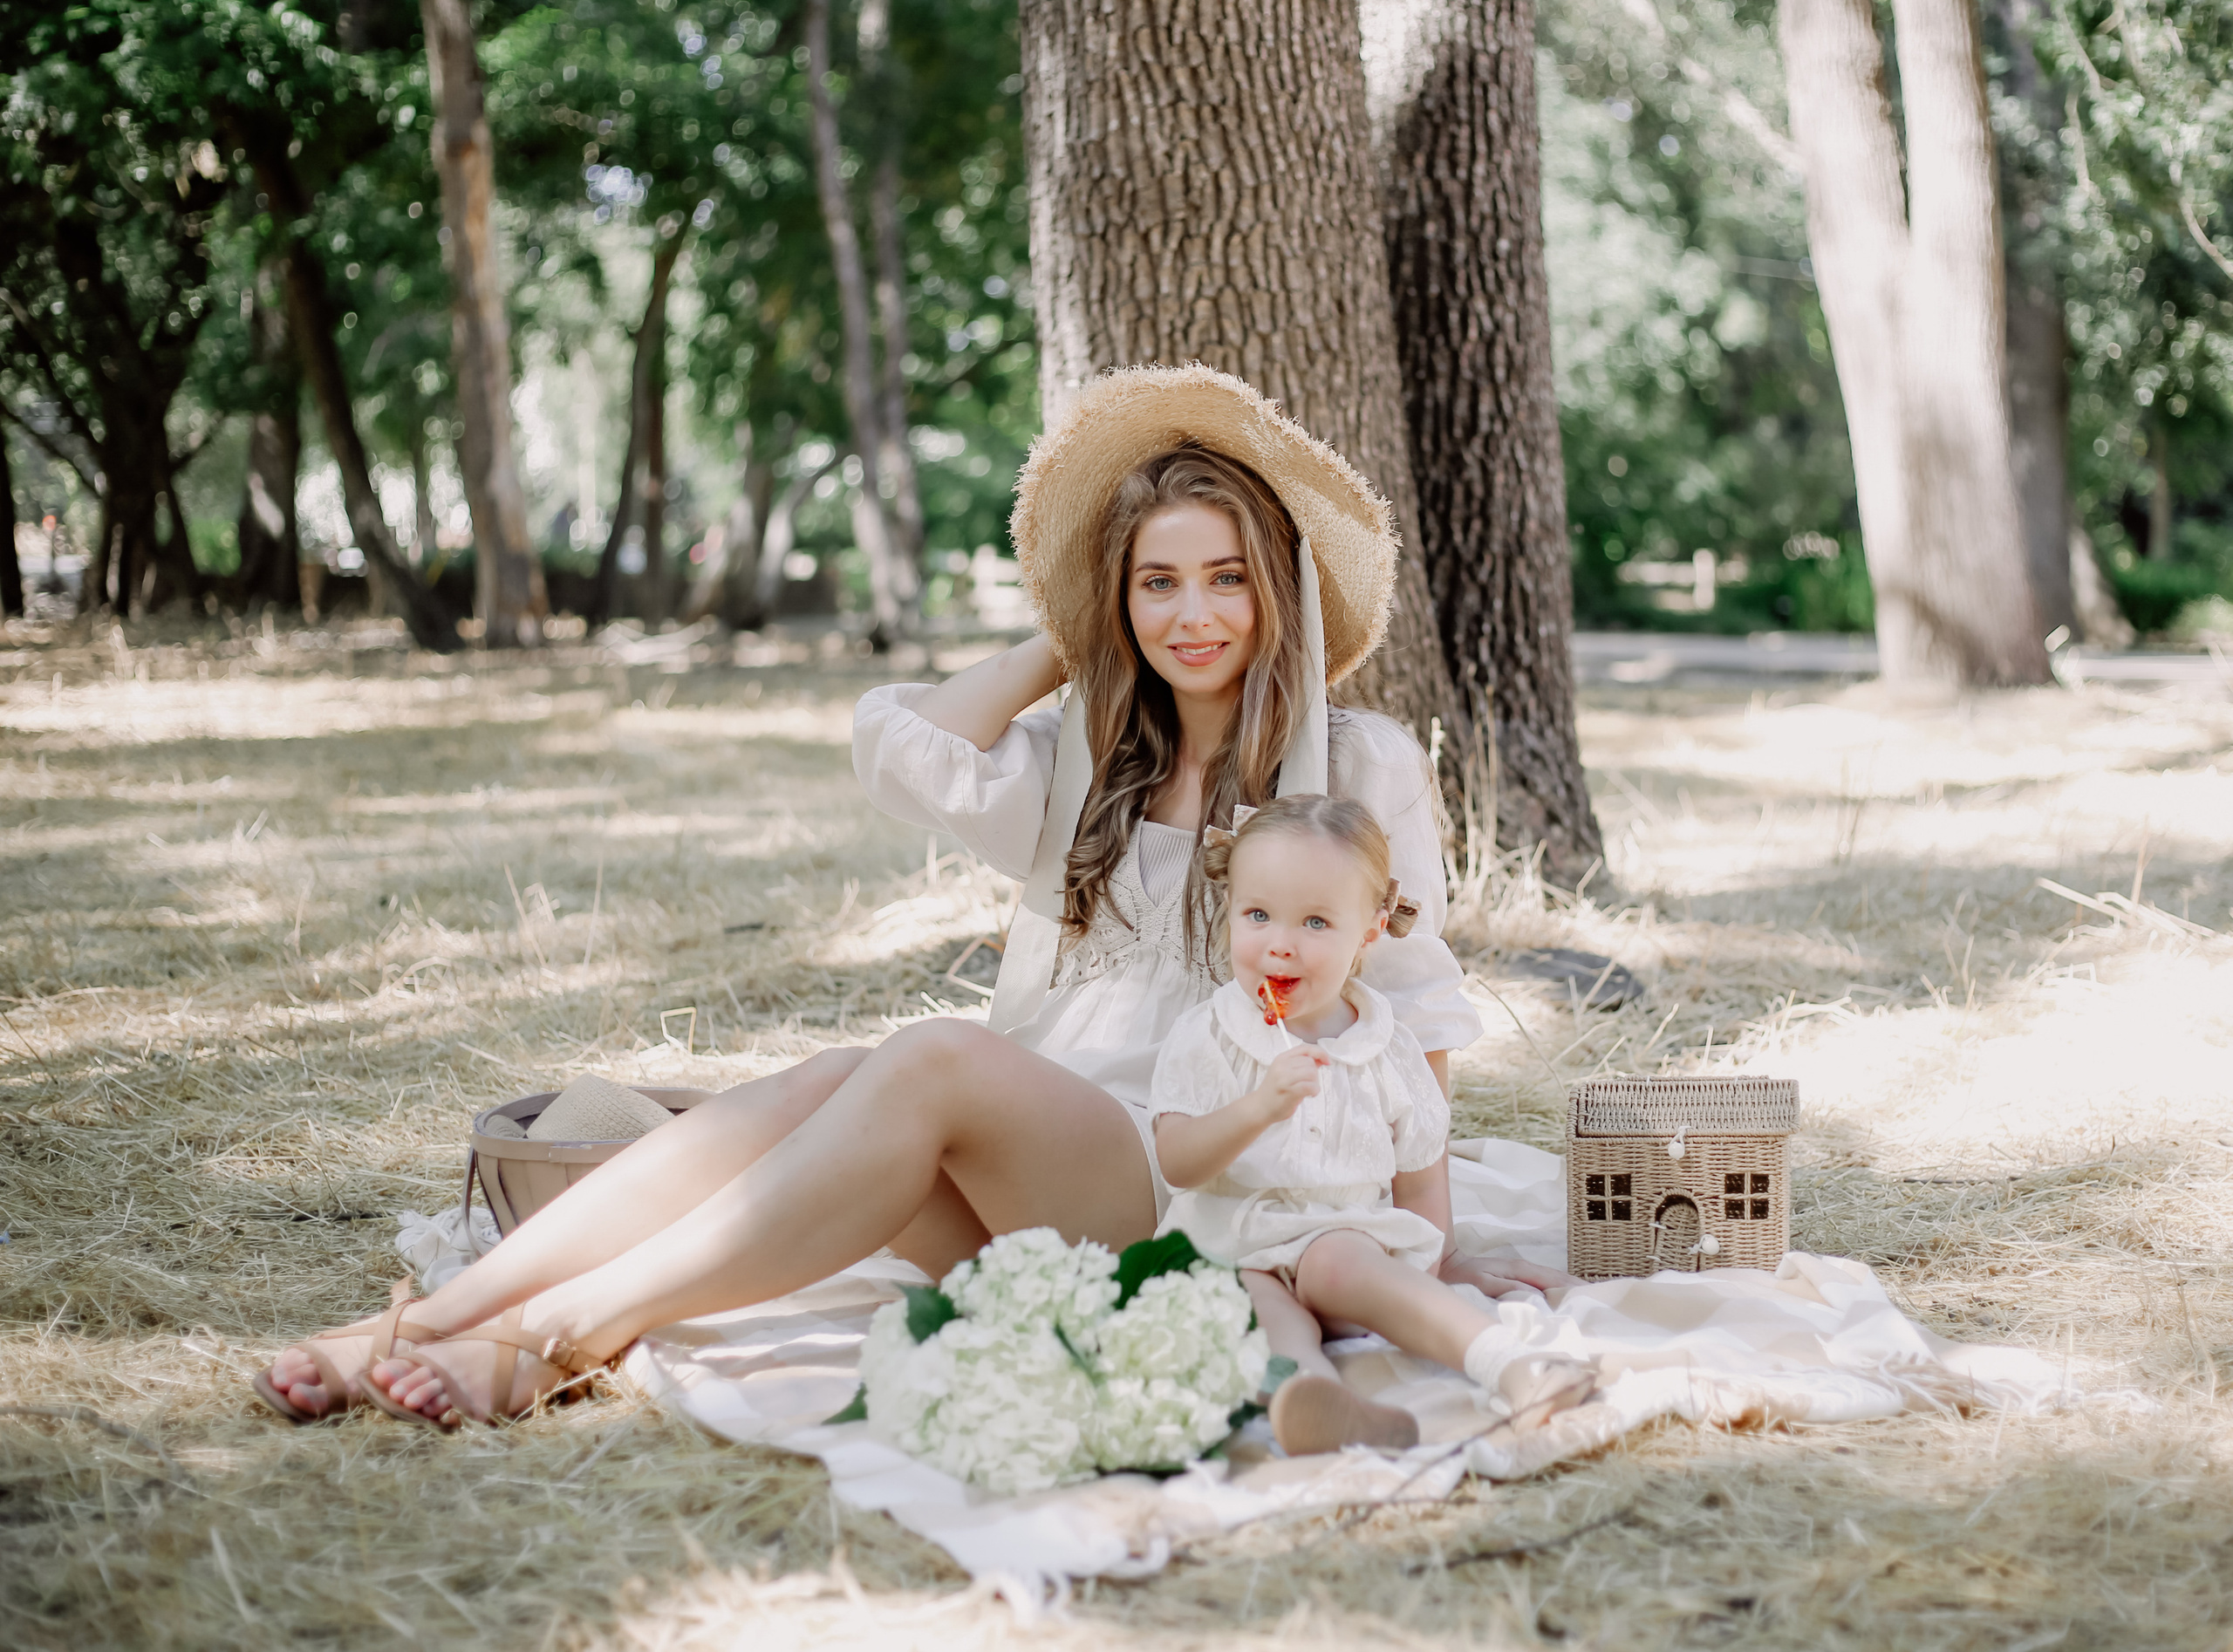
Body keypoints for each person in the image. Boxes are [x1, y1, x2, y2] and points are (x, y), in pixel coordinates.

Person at [252, 364, 1568, 1430]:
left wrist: (1420, 1250)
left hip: (1209, 1194)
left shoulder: (1363, 770)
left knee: (930, 1055)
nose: (1195, 613)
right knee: (834, 1078)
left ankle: (555, 1340)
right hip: (1049, 1165)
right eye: (1156, 580)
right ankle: (425, 1319)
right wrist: (1075, 636)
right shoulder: (1081, 763)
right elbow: (899, 745)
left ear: (1275, 587)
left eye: (1226, 575)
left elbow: (1412, 1016)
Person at [1153, 795, 1595, 1455]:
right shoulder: (1209, 1035)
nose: (1280, 942)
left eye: (1315, 922)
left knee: (1343, 1260)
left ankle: (1510, 1363)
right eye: (1258, 915)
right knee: (1252, 1304)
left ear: (1368, 930)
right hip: (1230, 1244)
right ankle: (1310, 1396)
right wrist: (1258, 1108)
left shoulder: (1385, 1046)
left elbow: (1419, 1174)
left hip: (1337, 1242)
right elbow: (1178, 1162)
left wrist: (1440, 1258)